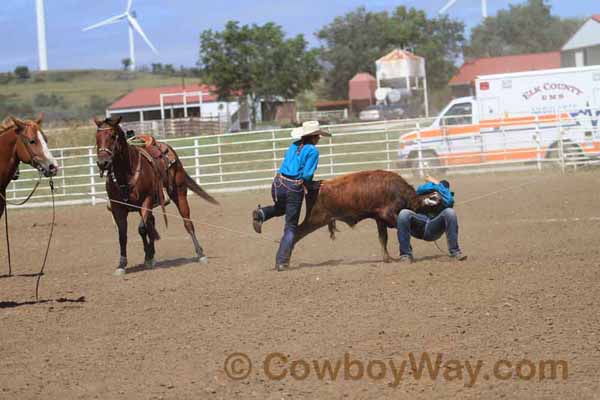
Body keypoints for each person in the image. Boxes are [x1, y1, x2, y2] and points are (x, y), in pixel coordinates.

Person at [251, 121, 331, 271]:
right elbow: (307, 174)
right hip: (293, 187)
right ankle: (281, 261)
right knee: (291, 227)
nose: (319, 138)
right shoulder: (313, 151)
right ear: (313, 137)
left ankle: (262, 213)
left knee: (281, 208)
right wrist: (309, 183)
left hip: (278, 182)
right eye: (318, 136)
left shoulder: (294, 145)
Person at [397, 175, 467, 263]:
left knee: (450, 212)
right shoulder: (421, 193)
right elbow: (411, 201)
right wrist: (423, 201)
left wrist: (438, 188)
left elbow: (449, 201)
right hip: (419, 225)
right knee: (404, 213)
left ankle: (455, 252)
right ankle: (405, 255)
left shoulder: (446, 198)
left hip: (435, 226)